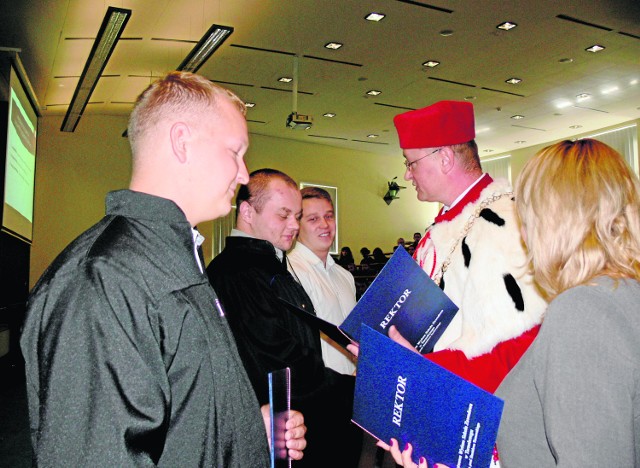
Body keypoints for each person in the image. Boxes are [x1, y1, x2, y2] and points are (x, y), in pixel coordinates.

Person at [20, 72, 306, 466]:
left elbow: (181, 413)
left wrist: (247, 428)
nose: (243, 175)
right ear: (181, 141)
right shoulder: (104, 279)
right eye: (235, 152)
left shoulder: (168, 258)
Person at [382, 138, 640, 467]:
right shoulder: (620, 293)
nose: (524, 229)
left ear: (557, 220)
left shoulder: (582, 309)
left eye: (528, 213)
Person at [206, 169, 361, 467]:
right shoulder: (238, 273)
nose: (294, 225)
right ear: (248, 211)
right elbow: (279, 360)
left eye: (298, 215)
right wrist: (355, 390)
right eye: (284, 215)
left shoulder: (268, 265)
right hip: (279, 433)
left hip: (303, 425)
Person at [390, 100, 547, 393]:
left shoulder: (504, 222)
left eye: (410, 163)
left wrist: (424, 370)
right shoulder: (446, 223)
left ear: (445, 159)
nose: (407, 175)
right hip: (435, 389)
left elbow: (518, 349)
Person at [287, 186, 357, 376]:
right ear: (297, 225)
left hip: (355, 386)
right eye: (313, 219)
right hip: (321, 391)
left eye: (329, 216)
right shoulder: (290, 273)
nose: (325, 225)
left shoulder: (345, 275)